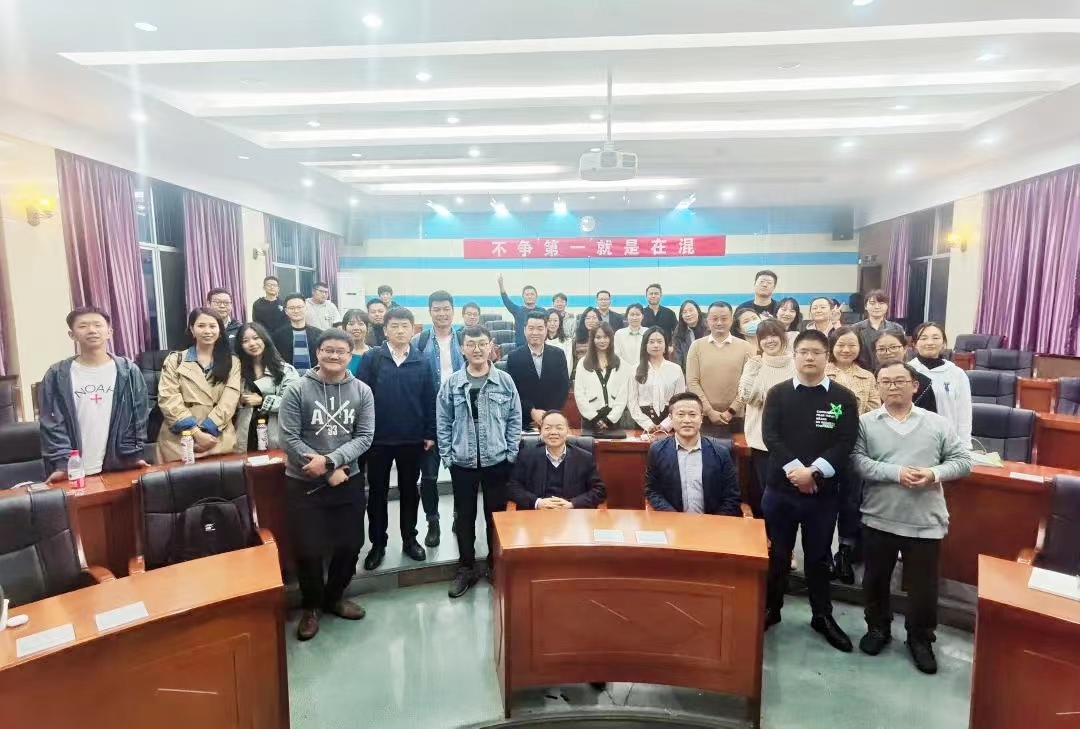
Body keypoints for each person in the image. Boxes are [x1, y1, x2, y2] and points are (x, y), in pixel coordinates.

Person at [853, 362, 972, 674]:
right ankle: (877, 628)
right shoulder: (865, 423)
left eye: (899, 381)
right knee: (875, 580)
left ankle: (920, 638)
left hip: (925, 521)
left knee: (923, 587)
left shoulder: (937, 423)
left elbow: (962, 462)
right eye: (886, 382)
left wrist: (933, 473)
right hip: (879, 516)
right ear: (878, 387)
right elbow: (857, 462)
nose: (892, 387)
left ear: (915, 386)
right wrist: (896, 473)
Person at [761, 329, 859, 653]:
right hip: (780, 490)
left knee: (818, 557)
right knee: (777, 554)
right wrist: (797, 472)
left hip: (823, 494)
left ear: (827, 357)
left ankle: (822, 615)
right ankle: (771, 608)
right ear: (795, 355)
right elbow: (770, 437)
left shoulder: (843, 397)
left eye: (816, 352)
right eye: (803, 351)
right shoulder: (778, 394)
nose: (809, 357)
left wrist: (813, 472)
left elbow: (845, 441)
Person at [279, 329, 375, 641]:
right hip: (303, 481)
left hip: (347, 478)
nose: (334, 356)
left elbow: (365, 436)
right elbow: (288, 437)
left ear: (350, 355)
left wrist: (331, 462)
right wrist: (324, 469)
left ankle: (334, 597)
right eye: (328, 350)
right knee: (308, 548)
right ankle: (311, 606)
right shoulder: (297, 389)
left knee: (351, 544)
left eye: (341, 351)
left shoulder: (362, 391)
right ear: (318, 352)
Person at [435, 325, 522, 598]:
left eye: (482, 343)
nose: (476, 349)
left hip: (497, 461)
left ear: (491, 345)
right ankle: (466, 568)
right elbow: (443, 420)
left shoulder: (505, 381)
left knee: (495, 518)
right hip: (462, 462)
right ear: (462, 348)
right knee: (464, 518)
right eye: (471, 344)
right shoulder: (452, 383)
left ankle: (496, 565)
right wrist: (447, 455)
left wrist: (511, 453)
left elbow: (515, 418)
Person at [357, 307, 436, 570]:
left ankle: (409, 539)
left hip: (412, 439)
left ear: (413, 329)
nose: (400, 331)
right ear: (385, 329)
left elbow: (430, 399)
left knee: (410, 492)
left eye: (405, 326)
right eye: (394, 326)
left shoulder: (422, 361)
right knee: (377, 494)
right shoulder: (372, 358)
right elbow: (360, 398)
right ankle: (378, 544)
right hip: (377, 440)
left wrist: (430, 432)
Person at [39, 306, 149, 482]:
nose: (91, 330)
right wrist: (63, 463)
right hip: (72, 469)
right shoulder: (57, 375)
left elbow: (138, 417)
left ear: (109, 332)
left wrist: (133, 455)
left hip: (120, 464)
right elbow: (51, 423)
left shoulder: (128, 371)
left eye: (98, 325)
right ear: (72, 335)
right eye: (83, 326)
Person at [825, 326, 881, 583]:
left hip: (855, 447)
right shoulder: (822, 372)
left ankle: (845, 553)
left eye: (852, 345)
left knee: (850, 501)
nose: (846, 350)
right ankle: (823, 553)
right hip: (823, 447)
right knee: (823, 501)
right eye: (840, 345)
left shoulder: (867, 377)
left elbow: (874, 411)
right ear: (832, 347)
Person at [412, 291, 465, 548]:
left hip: (462, 418)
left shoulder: (465, 338)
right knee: (429, 477)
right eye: (437, 309)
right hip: (430, 420)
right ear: (430, 311)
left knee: (461, 474)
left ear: (453, 311)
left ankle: (458, 515)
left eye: (446, 309)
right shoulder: (419, 341)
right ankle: (432, 521)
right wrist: (423, 427)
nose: (442, 313)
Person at [156, 308, 243, 462]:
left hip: (218, 438)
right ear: (192, 329)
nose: (207, 331)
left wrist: (208, 429)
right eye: (201, 326)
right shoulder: (175, 360)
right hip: (179, 440)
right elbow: (168, 398)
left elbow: (230, 399)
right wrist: (195, 432)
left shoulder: (232, 362)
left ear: (220, 331)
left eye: (212, 326)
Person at [644, 392, 741, 515]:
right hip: (672, 522)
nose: (687, 420)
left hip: (713, 523)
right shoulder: (658, 451)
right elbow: (652, 491)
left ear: (701, 418)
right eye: (681, 415)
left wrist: (714, 522)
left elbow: (732, 496)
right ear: (671, 418)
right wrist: (673, 517)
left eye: (692, 414)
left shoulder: (720, 452)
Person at [735, 319, 795, 518]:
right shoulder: (755, 364)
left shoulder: (795, 364)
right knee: (765, 493)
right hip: (761, 441)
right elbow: (746, 397)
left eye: (774, 335)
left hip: (791, 442)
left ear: (783, 336)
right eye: (764, 337)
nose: (769, 341)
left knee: (789, 494)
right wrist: (752, 373)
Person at [508, 410, 606, 510]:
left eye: (559, 428)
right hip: (536, 515)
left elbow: (599, 491)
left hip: (572, 515)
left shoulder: (584, 458)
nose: (553, 432)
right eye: (548, 428)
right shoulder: (526, 456)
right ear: (540, 432)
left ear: (568, 431)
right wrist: (537, 503)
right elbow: (513, 488)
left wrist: (572, 504)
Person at [685, 302, 754, 436]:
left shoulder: (745, 347)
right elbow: (692, 382)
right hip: (703, 416)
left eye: (724, 318)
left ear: (731, 320)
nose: (719, 323)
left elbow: (748, 385)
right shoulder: (696, 346)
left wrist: (731, 411)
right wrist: (709, 411)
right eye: (714, 319)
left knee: (736, 449)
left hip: (736, 417)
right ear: (707, 321)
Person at [233, 322, 300, 452]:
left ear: (265, 339)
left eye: (256, 338)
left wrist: (263, 401)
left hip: (275, 436)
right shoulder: (236, 371)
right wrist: (239, 400)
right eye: (245, 341)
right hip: (244, 436)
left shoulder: (285, 370)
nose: (252, 343)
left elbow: (293, 402)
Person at [908, 323, 972, 447]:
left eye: (936, 338)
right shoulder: (906, 371)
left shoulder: (956, 373)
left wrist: (965, 446)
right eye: (923, 338)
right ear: (915, 344)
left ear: (943, 343)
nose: (930, 342)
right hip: (912, 441)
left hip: (948, 442)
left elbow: (964, 414)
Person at [506, 311, 571, 431]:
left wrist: (548, 415)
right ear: (524, 330)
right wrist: (532, 412)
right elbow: (512, 391)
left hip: (552, 420)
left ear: (546, 330)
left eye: (540, 328)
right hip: (524, 421)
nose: (535, 332)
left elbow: (563, 387)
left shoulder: (558, 354)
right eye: (531, 328)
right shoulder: (514, 357)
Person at [628, 326, 686, 434]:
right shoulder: (635, 370)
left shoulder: (676, 369)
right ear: (645, 345)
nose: (656, 345)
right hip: (642, 424)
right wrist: (648, 424)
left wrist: (666, 424)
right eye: (651, 342)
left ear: (665, 346)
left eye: (659, 341)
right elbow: (632, 402)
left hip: (670, 422)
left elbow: (680, 401)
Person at [574, 323, 631, 434]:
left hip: (613, 420)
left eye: (605, 337)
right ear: (592, 339)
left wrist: (610, 419)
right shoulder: (583, 363)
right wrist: (594, 417)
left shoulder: (621, 363)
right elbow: (579, 393)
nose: (602, 341)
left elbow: (623, 394)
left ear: (611, 338)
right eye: (598, 337)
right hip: (590, 419)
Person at [874, 332, 936, 412]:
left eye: (893, 347)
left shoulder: (923, 382)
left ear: (905, 348)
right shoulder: (869, 379)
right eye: (881, 349)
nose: (888, 352)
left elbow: (929, 416)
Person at [851, 290, 905, 371]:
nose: (877, 307)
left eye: (881, 303)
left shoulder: (897, 328)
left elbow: (903, 352)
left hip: (890, 371)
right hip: (863, 372)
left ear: (887, 306)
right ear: (865, 306)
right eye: (872, 303)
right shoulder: (855, 328)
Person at [271, 294, 321, 374]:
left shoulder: (319, 334)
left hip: (315, 378)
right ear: (286, 311)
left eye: (299, 307)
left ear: (306, 308)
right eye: (292, 308)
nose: (296, 311)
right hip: (288, 378)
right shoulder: (277, 336)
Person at [496, 273, 539, 347]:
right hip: (520, 346)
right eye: (527, 294)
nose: (529, 296)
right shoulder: (517, 310)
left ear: (536, 296)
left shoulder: (542, 312)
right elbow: (506, 300)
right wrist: (501, 285)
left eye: (532, 294)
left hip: (538, 346)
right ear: (523, 296)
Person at [673, 300, 706, 372]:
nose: (688, 314)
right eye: (684, 312)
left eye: (691, 310)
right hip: (689, 371)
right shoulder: (679, 331)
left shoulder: (709, 327)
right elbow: (677, 358)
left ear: (698, 311)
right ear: (681, 316)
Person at [613, 303, 646, 369]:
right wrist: (628, 368)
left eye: (638, 314)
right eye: (632, 315)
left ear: (642, 316)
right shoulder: (619, 334)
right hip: (623, 369)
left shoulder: (647, 332)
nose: (634, 318)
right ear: (626, 316)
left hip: (644, 369)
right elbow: (616, 354)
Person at [342, 309, 371, 376]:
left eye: (361, 324)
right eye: (351, 324)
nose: (356, 328)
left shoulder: (374, 354)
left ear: (368, 328)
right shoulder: (338, 354)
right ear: (344, 328)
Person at [546, 309, 574, 375]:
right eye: (549, 320)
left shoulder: (567, 341)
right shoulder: (541, 341)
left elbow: (568, 364)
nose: (552, 323)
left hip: (561, 377)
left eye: (555, 321)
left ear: (560, 322)